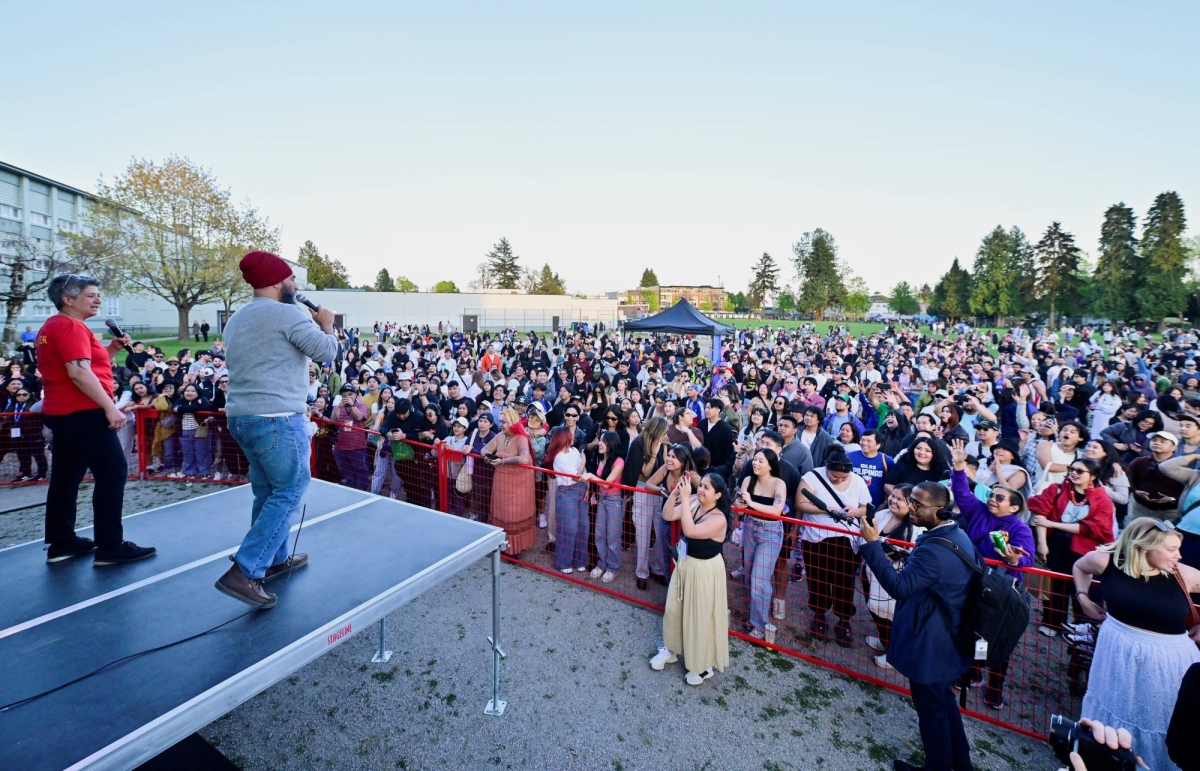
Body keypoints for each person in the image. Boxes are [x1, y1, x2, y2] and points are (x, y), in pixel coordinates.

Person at [216, 251, 338, 609]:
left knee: (267, 491)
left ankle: (273, 559)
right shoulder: (288, 315)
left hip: (242, 417)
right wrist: (326, 324)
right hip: (278, 418)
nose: (296, 286)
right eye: (291, 279)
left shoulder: (237, 317)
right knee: (290, 490)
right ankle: (246, 569)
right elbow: (328, 353)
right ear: (276, 281)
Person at [35, 274, 155, 566]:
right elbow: (78, 372)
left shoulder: (53, 326)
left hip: (63, 413)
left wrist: (111, 350)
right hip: (85, 412)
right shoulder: (70, 326)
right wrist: (110, 408)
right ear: (68, 299)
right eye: (90, 295)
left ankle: (62, 542)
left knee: (66, 477)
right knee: (113, 473)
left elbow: (81, 363)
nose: (98, 299)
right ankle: (110, 545)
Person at [858, 481, 979, 771]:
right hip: (945, 638)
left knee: (933, 713)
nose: (910, 507)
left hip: (932, 644)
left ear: (940, 510)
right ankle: (961, 764)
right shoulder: (954, 534)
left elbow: (900, 587)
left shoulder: (936, 549)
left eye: (917, 504)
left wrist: (872, 546)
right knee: (945, 706)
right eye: (910, 499)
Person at [1072, 518, 1200, 771]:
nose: (1179, 555)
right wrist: (1083, 597)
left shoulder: (1182, 574)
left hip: (1167, 663)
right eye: (1172, 549)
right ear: (1145, 546)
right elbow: (1079, 566)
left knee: (1160, 718)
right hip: (1116, 654)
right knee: (1116, 710)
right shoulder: (1106, 560)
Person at [648, 472, 731, 686]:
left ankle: (703, 666)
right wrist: (677, 492)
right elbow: (667, 515)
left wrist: (685, 498)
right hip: (685, 564)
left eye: (706, 488)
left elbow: (690, 530)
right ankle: (672, 649)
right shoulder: (693, 501)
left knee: (701, 616)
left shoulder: (718, 519)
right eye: (700, 485)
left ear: (718, 495)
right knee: (674, 608)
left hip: (705, 570)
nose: (700, 490)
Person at [796, 448, 872, 646]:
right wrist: (824, 509)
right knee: (817, 578)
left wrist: (853, 511)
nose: (838, 480)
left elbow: (865, 507)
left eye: (842, 477)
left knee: (844, 582)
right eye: (834, 476)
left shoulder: (857, 481)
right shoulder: (812, 477)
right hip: (816, 538)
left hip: (845, 540)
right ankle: (819, 615)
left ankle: (844, 620)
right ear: (826, 468)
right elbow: (801, 502)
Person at [733, 448, 787, 639]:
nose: (755, 463)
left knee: (760, 578)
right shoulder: (748, 480)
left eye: (760, 461)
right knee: (749, 573)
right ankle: (753, 616)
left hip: (770, 532)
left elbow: (776, 510)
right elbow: (740, 508)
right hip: (750, 527)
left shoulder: (779, 483)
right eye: (754, 459)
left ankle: (760, 625)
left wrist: (750, 504)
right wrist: (739, 506)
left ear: (771, 465)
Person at [481, 408, 537, 556]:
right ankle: (501, 544)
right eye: (500, 421)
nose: (501, 424)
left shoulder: (522, 438)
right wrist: (486, 457)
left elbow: (524, 458)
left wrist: (502, 461)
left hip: (520, 483)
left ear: (512, 422)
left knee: (514, 513)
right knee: (501, 510)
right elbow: (485, 448)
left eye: (504, 422)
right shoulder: (499, 436)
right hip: (502, 480)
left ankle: (514, 549)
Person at [583, 429, 625, 583]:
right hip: (602, 499)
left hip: (615, 501)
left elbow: (608, 483)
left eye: (603, 441)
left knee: (612, 536)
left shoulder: (619, 461)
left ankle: (613, 567)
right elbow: (600, 483)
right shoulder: (601, 458)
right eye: (600, 440)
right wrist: (595, 492)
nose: (599, 443)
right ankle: (602, 564)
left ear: (611, 444)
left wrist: (591, 477)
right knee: (599, 533)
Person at [546, 425, 588, 574]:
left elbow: (582, 474)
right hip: (567, 492)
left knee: (583, 527)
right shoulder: (559, 457)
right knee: (568, 529)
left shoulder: (574, 450)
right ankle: (562, 562)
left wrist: (587, 487)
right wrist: (583, 461)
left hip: (581, 490)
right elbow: (577, 476)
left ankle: (580, 560)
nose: (573, 436)